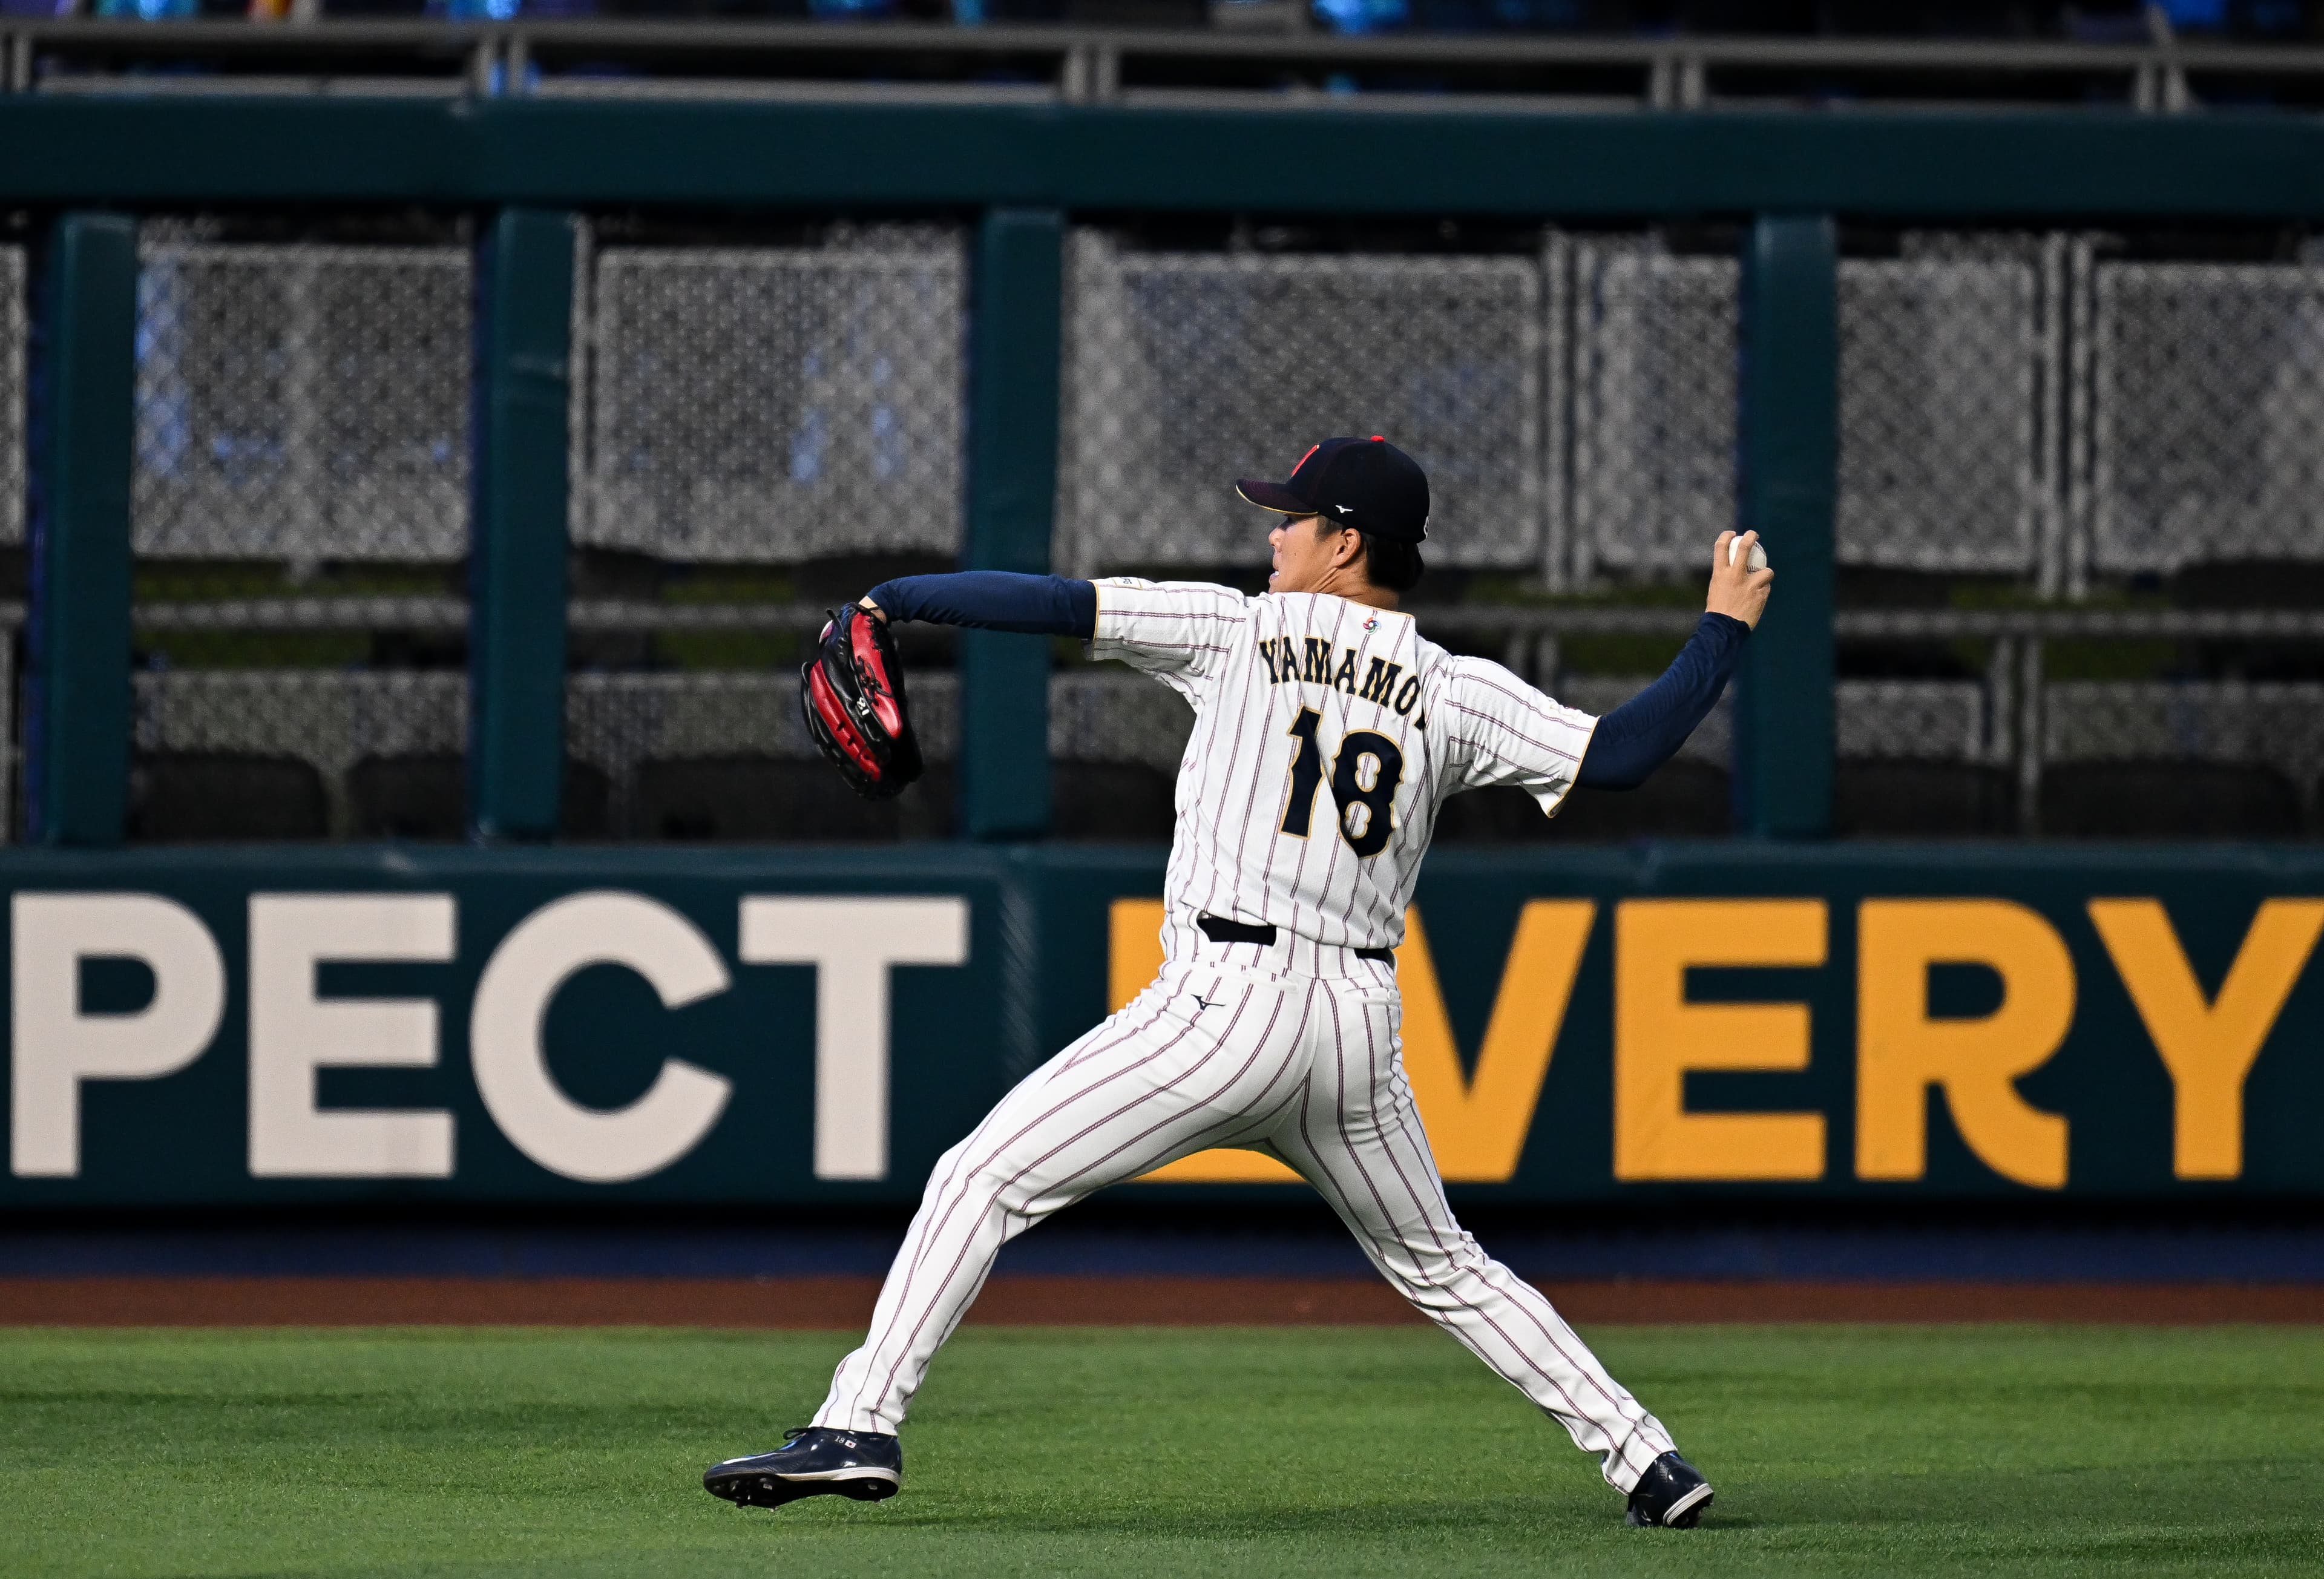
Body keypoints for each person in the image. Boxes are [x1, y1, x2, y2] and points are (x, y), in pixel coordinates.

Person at [705, 436, 1773, 1529]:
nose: (1272, 534)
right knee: (1446, 1266)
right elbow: (1627, 752)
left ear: (1347, 542)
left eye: (1293, 519)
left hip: (1225, 1005)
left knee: (981, 1178)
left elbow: (1053, 604)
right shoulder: (1457, 689)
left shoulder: (1236, 629)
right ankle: (1648, 1460)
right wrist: (1723, 627)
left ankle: (860, 1421)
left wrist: (894, 598)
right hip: (1356, 1033)